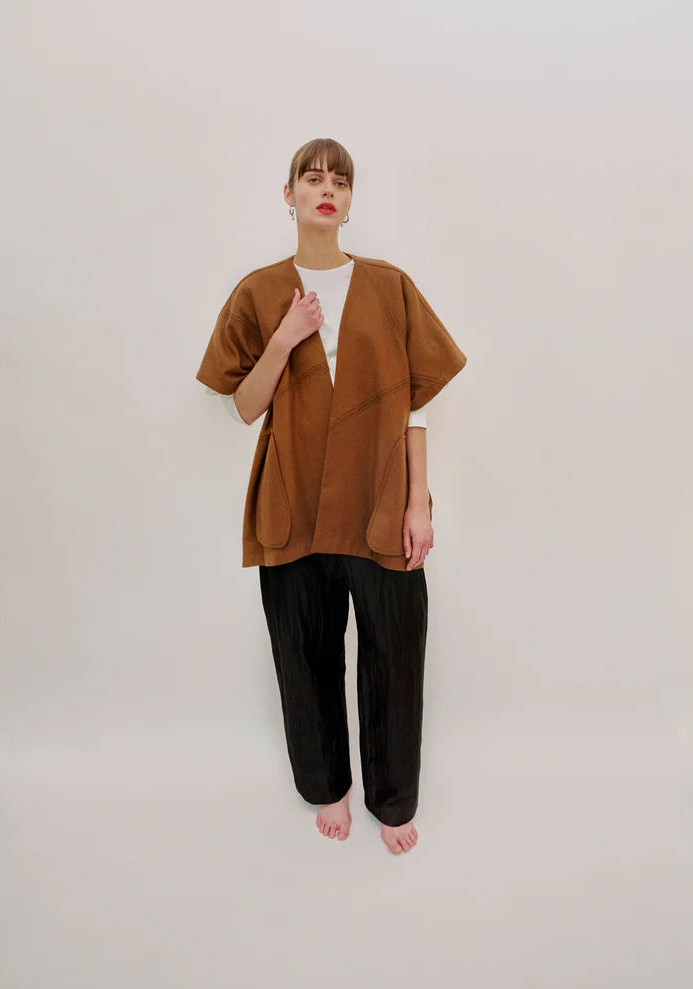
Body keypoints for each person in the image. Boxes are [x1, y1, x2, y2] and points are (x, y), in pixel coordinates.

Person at [196, 138, 467, 854]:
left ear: (349, 201)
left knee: (394, 653)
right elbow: (242, 406)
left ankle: (393, 798)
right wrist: (286, 337)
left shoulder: (390, 286)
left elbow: (414, 404)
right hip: (294, 502)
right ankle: (328, 787)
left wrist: (419, 502)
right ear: (288, 194)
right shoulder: (258, 292)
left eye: (340, 181)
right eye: (312, 178)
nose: (327, 190)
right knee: (304, 651)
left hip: (380, 501)